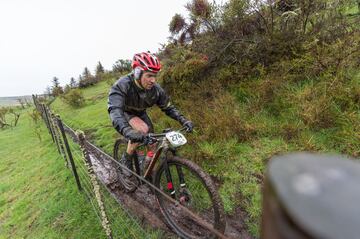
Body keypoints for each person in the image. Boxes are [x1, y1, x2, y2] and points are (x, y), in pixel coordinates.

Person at [108, 52, 193, 179]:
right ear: (137, 73)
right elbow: (115, 111)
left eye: (155, 76)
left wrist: (183, 120)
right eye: (149, 76)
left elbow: (168, 107)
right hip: (125, 113)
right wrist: (127, 131)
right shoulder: (122, 85)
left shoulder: (156, 90)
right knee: (142, 130)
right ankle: (126, 159)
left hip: (141, 113)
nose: (153, 80)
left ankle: (145, 167)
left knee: (152, 143)